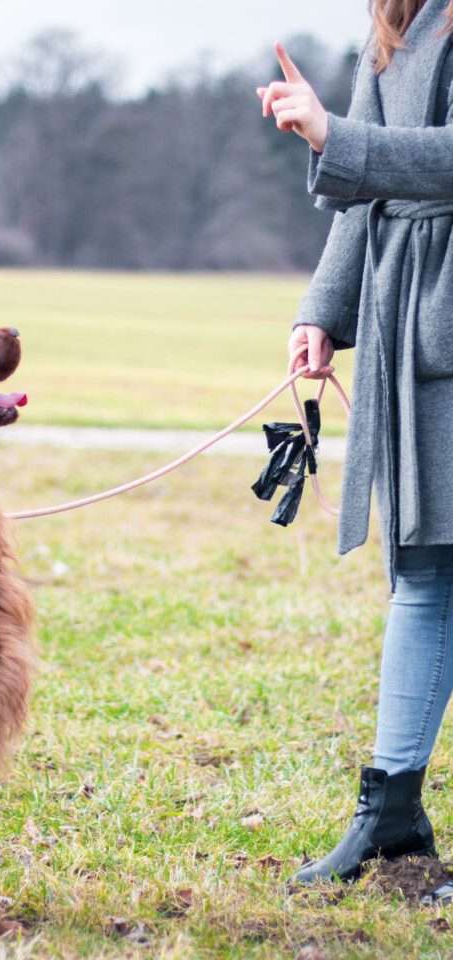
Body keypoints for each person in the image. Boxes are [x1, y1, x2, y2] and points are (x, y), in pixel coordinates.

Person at [258, 0, 453, 896]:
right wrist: (323, 310)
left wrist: (334, 133)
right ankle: (393, 812)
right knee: (422, 566)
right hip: (405, 323)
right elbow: (362, 192)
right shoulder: (395, 24)